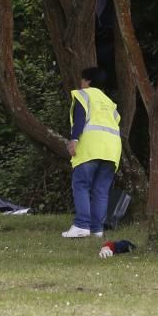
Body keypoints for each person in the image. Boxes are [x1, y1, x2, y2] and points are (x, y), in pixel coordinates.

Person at [62, 66, 122, 238]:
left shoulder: (83, 95)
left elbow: (79, 119)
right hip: (112, 151)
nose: (81, 83)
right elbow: (116, 122)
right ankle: (97, 230)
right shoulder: (110, 103)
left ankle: (81, 225)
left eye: (82, 80)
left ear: (87, 81)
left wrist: (73, 140)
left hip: (90, 147)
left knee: (81, 185)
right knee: (101, 191)